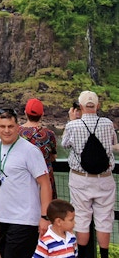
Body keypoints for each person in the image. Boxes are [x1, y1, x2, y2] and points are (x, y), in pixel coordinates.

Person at [0, 108, 52, 258]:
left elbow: (45, 184)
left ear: (18, 127)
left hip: (24, 220)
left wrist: (45, 217)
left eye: (10, 126)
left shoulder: (30, 151)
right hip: (2, 218)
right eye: (2, 126)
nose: (6, 130)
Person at [61, 90, 116, 258]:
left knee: (82, 219)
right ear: (97, 106)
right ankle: (104, 255)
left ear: (80, 107)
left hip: (80, 179)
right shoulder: (108, 123)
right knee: (104, 219)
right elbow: (114, 143)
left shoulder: (73, 125)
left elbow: (64, 144)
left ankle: (83, 255)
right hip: (104, 178)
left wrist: (72, 120)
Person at [20, 98, 58, 199]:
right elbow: (53, 156)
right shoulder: (49, 134)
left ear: (25, 113)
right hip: (45, 178)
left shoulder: (16, 133)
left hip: (22, 177)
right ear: (42, 114)